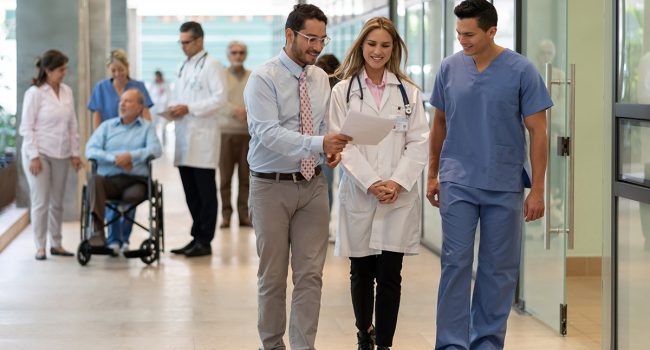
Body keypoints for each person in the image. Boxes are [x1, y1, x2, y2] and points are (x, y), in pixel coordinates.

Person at [426, 1, 552, 349]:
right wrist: (433, 174)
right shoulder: (450, 68)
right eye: (458, 34)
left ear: (491, 31)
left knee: (498, 270)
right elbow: (439, 122)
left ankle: (486, 342)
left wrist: (538, 189)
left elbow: (538, 132)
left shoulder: (521, 70)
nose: (462, 40)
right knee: (456, 264)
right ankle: (452, 343)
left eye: (468, 34)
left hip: (503, 181)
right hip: (458, 180)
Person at [244, 4, 351, 349]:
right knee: (273, 276)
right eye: (310, 39)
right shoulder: (263, 78)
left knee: (310, 276)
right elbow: (267, 133)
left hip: (312, 186)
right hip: (270, 186)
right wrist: (318, 142)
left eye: (322, 39)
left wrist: (327, 150)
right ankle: (272, 345)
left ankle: (304, 346)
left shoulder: (320, 78)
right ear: (289, 35)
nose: (317, 47)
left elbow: (319, 125)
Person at [328, 17, 429, 350]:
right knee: (361, 272)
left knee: (390, 276)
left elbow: (419, 142)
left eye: (385, 45)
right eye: (372, 44)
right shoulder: (343, 91)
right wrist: (372, 183)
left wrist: (397, 182)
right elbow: (343, 144)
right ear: (361, 46)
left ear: (394, 49)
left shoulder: (408, 92)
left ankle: (384, 343)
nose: (378, 51)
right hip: (361, 192)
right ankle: (363, 336)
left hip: (396, 196)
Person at [168, 21, 228, 258]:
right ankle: (196, 236)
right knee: (190, 192)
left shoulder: (212, 65)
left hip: (203, 139)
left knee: (205, 193)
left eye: (186, 42)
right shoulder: (184, 65)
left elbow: (220, 99)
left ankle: (205, 240)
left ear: (199, 40)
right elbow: (179, 97)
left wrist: (189, 108)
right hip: (184, 137)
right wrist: (174, 109)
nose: (183, 46)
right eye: (180, 42)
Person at [88, 48, 155, 253]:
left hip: (134, 147)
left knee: (129, 198)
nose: (118, 73)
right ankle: (112, 238)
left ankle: (124, 238)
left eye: (121, 69)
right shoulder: (101, 87)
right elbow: (97, 119)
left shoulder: (138, 87)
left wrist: (141, 141)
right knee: (106, 192)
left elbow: (146, 117)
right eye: (113, 70)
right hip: (111, 144)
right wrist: (108, 151)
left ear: (127, 68)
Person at [19, 49, 82, 260]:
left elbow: (73, 124)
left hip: (62, 153)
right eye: (61, 69)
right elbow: (26, 128)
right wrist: (34, 156)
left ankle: (57, 243)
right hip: (40, 153)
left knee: (57, 201)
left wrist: (75, 153)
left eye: (65, 68)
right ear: (48, 70)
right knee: (40, 201)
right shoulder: (35, 93)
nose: (64, 72)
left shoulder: (67, 91)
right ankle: (40, 246)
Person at [218, 41, 252, 229]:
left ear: (245, 55)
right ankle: (226, 215)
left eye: (241, 52)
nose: (237, 56)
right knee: (225, 178)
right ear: (228, 55)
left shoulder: (252, 76)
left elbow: (258, 98)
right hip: (226, 133)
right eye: (234, 53)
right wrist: (235, 111)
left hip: (247, 134)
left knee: (245, 177)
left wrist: (248, 112)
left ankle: (244, 215)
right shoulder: (221, 76)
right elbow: (218, 101)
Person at [314, 54, 340, 211]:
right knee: (324, 185)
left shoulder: (340, 91)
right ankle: (323, 223)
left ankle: (326, 222)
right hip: (318, 142)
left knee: (328, 185)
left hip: (334, 143)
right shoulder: (315, 90)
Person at [148, 70, 172, 144]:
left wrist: (168, 106)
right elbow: (150, 96)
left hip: (163, 108)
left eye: (158, 77)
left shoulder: (166, 85)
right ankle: (154, 142)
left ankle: (164, 144)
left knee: (164, 127)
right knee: (153, 126)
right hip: (154, 108)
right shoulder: (152, 85)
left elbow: (169, 96)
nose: (157, 78)